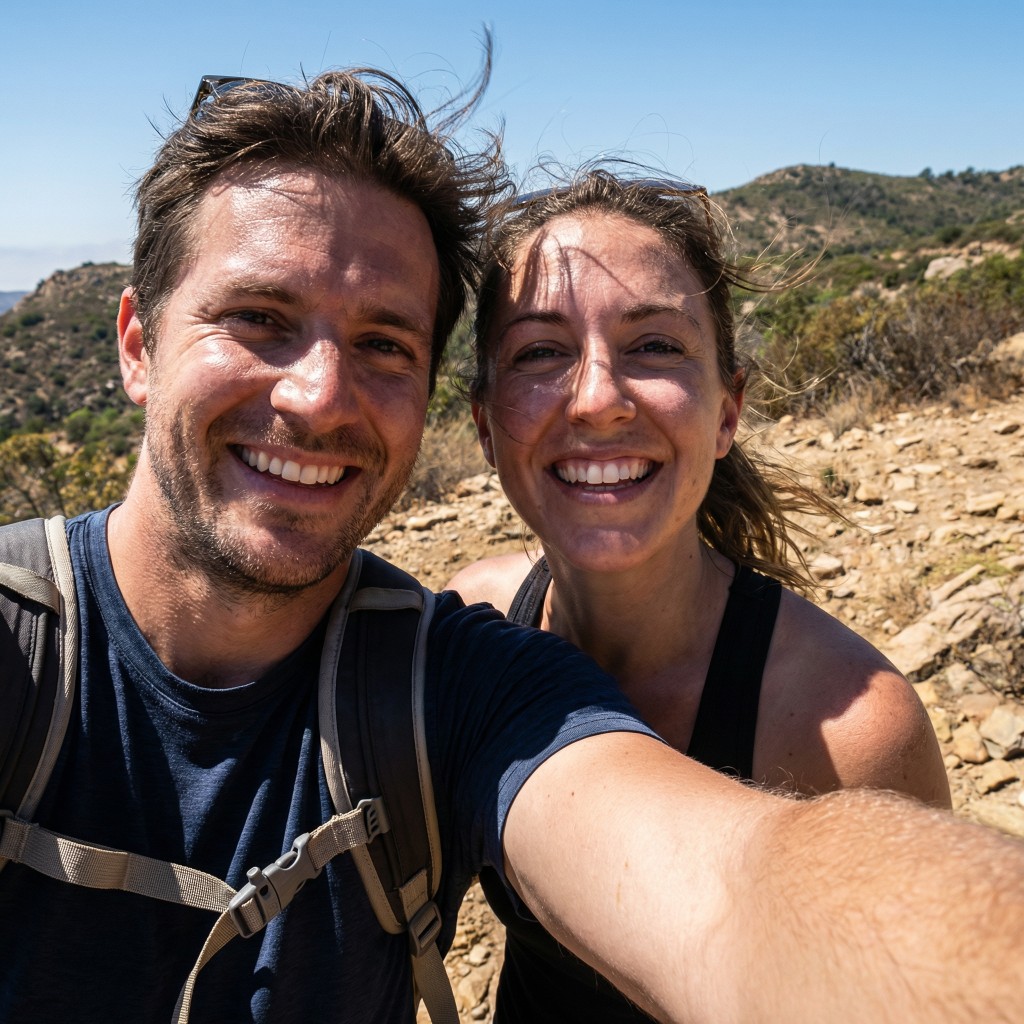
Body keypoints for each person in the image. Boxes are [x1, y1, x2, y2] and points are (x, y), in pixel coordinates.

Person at [0, 64, 1023, 1024]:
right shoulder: (465, 621)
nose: (317, 396)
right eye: (261, 317)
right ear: (136, 342)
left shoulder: (446, 682)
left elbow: (731, 890)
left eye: (383, 343)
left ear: (728, 409)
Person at [449, 169, 952, 1021]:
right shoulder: (476, 624)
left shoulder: (849, 733)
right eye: (540, 351)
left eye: (654, 345)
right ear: (485, 425)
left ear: (726, 412)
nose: (599, 398)